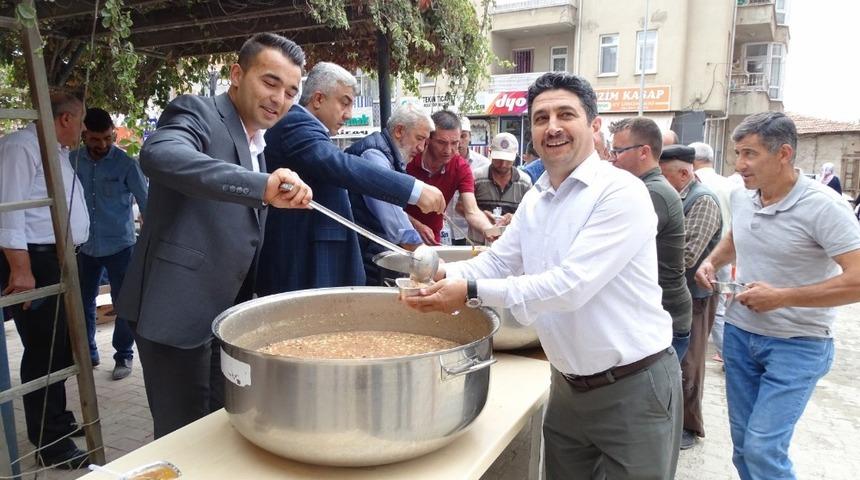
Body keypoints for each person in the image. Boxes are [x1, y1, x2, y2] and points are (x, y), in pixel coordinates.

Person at [405, 72, 682, 480]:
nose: (551, 127)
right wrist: (440, 272)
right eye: (540, 118)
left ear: (593, 124)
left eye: (564, 114)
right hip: (568, 386)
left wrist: (469, 291)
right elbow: (499, 261)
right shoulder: (537, 198)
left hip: (633, 387)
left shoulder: (621, 193)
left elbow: (570, 286)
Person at [116, 33, 313, 439]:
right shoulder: (198, 112)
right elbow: (160, 154)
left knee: (223, 428)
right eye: (270, 82)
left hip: (227, 319)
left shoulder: (258, 142)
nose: (280, 99)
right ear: (237, 75)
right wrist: (260, 186)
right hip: (176, 310)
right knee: (182, 437)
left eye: (291, 92)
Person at [695, 111, 860, 480]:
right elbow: (738, 236)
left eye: (750, 154)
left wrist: (783, 297)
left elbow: (857, 281)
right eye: (737, 153)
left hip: (798, 344)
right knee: (743, 448)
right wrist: (712, 262)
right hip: (740, 336)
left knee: (763, 447)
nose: (739, 165)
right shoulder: (743, 196)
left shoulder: (825, 206)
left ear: (784, 153)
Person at [256, 63, 444, 294]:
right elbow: (340, 165)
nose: (349, 114)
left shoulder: (311, 130)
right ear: (318, 99)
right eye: (344, 103)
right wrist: (414, 190)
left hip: (318, 256)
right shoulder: (295, 125)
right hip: (305, 259)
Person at [0, 91, 91, 469]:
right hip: (35, 262)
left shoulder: (55, 151)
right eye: (82, 121)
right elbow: (7, 210)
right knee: (45, 350)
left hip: (59, 258)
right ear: (66, 119)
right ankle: (50, 443)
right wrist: (21, 269)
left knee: (62, 347)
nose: (85, 129)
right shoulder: (22, 147)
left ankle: (56, 422)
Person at [73, 107, 148, 380]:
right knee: (81, 303)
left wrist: (148, 247)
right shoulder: (72, 161)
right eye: (95, 139)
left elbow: (147, 205)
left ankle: (123, 356)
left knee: (125, 304)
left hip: (121, 247)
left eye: (107, 138)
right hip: (83, 247)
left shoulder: (127, 164)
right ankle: (88, 353)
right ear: (85, 136)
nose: (102, 145)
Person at [609, 117, 693, 360]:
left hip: (664, 320)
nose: (613, 158)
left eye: (619, 151)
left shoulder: (652, 193)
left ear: (644, 151)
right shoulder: (645, 188)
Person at [658, 145, 722, 450]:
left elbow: (687, 255)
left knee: (690, 362)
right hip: (673, 293)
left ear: (684, 173)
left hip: (695, 295)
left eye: (665, 176)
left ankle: (689, 426)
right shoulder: (677, 197)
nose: (662, 183)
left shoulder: (703, 200)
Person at [345, 103, 434, 285]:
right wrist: (425, 257)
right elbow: (393, 220)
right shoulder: (374, 155)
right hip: (366, 259)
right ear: (399, 131)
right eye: (419, 138)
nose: (421, 148)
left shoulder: (387, 154)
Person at [406, 110, 496, 245]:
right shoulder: (410, 158)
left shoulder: (461, 167)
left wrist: (491, 231)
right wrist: (415, 224)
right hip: (398, 231)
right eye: (441, 142)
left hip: (431, 238)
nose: (448, 150)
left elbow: (471, 211)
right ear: (428, 139)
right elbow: (389, 205)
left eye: (455, 143)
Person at [690, 141, 738, 361]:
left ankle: (724, 353)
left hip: (706, 254)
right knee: (719, 309)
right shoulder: (728, 184)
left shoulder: (695, 184)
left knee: (707, 308)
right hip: (726, 253)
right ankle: (725, 351)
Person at [469, 132, 532, 243]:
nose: (503, 164)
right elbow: (461, 206)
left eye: (507, 160)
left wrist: (514, 217)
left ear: (515, 157)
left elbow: (531, 213)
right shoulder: (476, 177)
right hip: (479, 243)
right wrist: (480, 215)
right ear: (490, 153)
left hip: (511, 245)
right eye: (498, 159)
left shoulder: (524, 182)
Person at [444, 116, 490, 245]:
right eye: (455, 139)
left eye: (463, 136)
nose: (459, 142)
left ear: (470, 137)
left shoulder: (483, 164)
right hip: (443, 230)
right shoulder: (441, 160)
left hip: (470, 230)